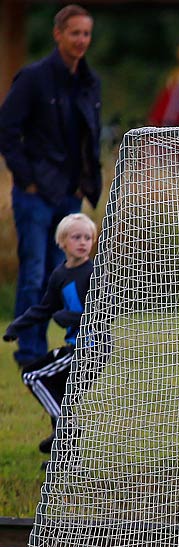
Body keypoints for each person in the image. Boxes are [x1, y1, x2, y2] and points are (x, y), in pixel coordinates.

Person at [0, 5, 101, 368]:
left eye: (86, 34)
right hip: (35, 196)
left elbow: (90, 136)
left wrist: (85, 184)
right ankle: (30, 351)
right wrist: (26, 181)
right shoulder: (33, 78)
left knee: (64, 275)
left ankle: (73, 345)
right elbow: (7, 131)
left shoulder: (89, 82)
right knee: (34, 273)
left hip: (68, 194)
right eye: (74, 33)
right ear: (58, 34)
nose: (81, 41)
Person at [4, 211, 96, 457]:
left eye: (88, 237)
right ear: (62, 242)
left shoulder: (94, 274)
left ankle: (67, 428)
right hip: (75, 346)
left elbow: (104, 313)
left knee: (32, 375)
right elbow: (45, 308)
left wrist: (71, 319)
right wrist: (18, 326)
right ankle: (65, 460)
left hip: (90, 348)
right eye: (76, 237)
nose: (83, 242)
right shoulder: (60, 275)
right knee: (60, 393)